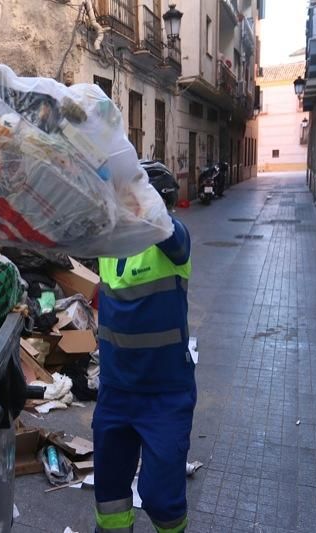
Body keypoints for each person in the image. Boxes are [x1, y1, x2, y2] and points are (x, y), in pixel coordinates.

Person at [93, 161, 194, 533]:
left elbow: (170, 233)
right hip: (116, 393)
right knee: (110, 494)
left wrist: (132, 186)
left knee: (161, 497)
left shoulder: (174, 245)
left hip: (164, 395)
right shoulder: (108, 246)